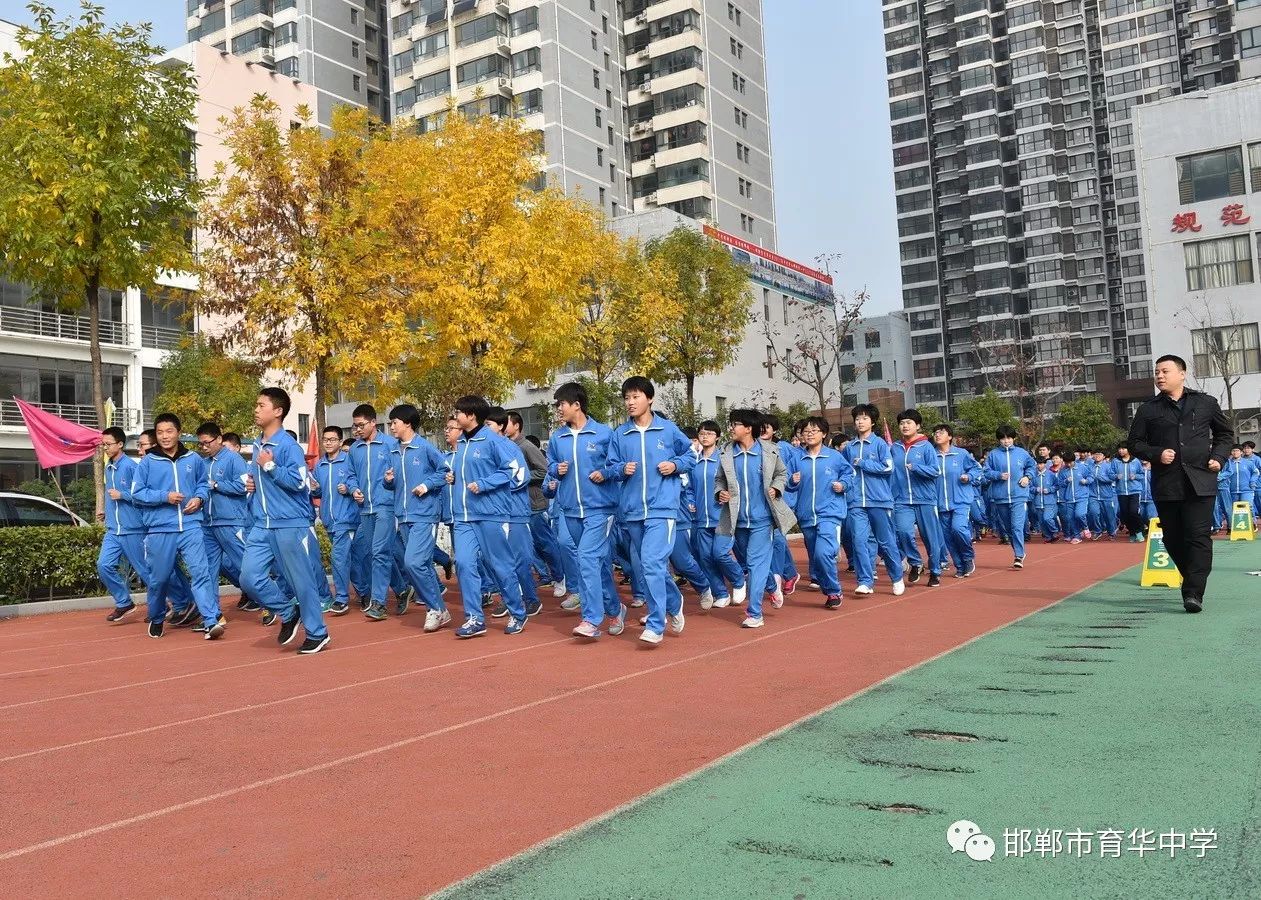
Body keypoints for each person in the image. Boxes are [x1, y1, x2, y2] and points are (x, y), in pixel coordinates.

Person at [1127, 354, 1233, 612]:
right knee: (1174, 539)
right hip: (1167, 483)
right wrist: (1156, 453)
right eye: (1157, 372)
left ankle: (1193, 593)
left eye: (1165, 371)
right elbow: (1134, 443)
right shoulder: (1148, 409)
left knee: (1198, 537)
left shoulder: (1205, 402)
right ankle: (1193, 578)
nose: (1159, 376)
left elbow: (1225, 434)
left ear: (1182, 374)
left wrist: (1218, 457)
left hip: (1201, 480)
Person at [239, 388, 331, 653]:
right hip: (262, 524)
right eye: (256, 405)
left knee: (302, 582)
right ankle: (288, 612)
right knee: (249, 578)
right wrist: (253, 485)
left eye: (261, 405)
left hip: (291, 523)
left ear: (277, 411)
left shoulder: (288, 446)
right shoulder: (258, 444)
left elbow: (299, 482)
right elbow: (264, 481)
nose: (256, 409)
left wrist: (269, 467)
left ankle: (318, 632)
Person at [607, 376, 695, 644]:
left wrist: (675, 465)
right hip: (632, 511)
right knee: (646, 566)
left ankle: (656, 623)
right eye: (626, 398)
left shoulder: (668, 430)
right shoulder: (620, 434)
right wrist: (621, 469)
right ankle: (674, 599)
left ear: (649, 399)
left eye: (635, 397)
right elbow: (610, 467)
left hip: (662, 508)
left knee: (653, 562)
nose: (630, 402)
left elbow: (690, 455)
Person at [129, 413, 224, 640]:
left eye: (169, 431)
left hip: (191, 526)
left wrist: (199, 499)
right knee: (159, 579)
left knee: (201, 573)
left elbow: (203, 485)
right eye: (160, 432)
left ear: (178, 432)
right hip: (161, 529)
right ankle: (157, 617)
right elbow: (137, 494)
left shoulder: (193, 459)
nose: (164, 436)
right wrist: (165, 496)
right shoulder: (148, 462)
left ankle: (211, 621)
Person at [447, 395, 529, 638]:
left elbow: (514, 471)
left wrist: (484, 484)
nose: (456, 416)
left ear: (471, 415)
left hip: (491, 513)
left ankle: (517, 610)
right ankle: (474, 618)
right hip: (463, 516)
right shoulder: (461, 443)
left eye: (459, 412)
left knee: (500, 565)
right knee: (463, 563)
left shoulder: (493, 440)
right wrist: (453, 479)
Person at [546, 383, 624, 638]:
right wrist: (556, 470)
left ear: (576, 405)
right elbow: (550, 467)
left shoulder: (603, 433)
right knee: (597, 564)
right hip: (570, 509)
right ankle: (615, 610)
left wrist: (606, 473)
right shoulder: (558, 438)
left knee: (586, 559)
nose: (559, 409)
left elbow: (619, 466)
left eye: (562, 404)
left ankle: (591, 619)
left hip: (600, 509)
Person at [714, 408, 797, 628]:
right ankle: (772, 586)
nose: (731, 428)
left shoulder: (769, 451)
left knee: (754, 562)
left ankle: (754, 613)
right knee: (750, 564)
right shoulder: (727, 453)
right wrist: (719, 492)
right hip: (737, 519)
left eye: (735, 424)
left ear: (749, 428)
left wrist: (777, 488)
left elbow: (782, 474)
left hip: (763, 519)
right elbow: (719, 480)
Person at [382, 404, 452, 629]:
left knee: (412, 562)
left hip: (424, 513)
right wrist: (388, 480)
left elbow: (445, 472)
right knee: (420, 564)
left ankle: (434, 608)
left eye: (395, 422)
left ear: (407, 423)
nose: (392, 427)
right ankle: (440, 609)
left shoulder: (425, 448)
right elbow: (389, 483)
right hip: (402, 515)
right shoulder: (393, 450)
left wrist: (426, 484)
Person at [347, 404, 410, 614]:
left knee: (380, 553)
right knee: (377, 553)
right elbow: (349, 475)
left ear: (373, 422)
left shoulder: (391, 445)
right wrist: (354, 488)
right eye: (355, 426)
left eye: (361, 425)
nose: (357, 430)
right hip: (365, 508)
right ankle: (402, 589)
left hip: (386, 506)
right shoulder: (355, 449)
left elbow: (401, 474)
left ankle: (379, 603)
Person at [840, 404, 905, 595]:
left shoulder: (880, 445)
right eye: (858, 418)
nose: (860, 422)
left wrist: (863, 463)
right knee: (859, 540)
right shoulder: (849, 447)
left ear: (873, 422)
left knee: (885, 542)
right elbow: (844, 470)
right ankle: (865, 581)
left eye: (864, 418)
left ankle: (897, 576)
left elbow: (888, 467)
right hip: (856, 502)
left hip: (879, 500)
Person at [792, 416, 853, 608]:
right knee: (816, 557)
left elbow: (850, 475)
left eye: (814, 431)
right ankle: (829, 588)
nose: (809, 434)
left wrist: (842, 485)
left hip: (830, 513)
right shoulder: (797, 458)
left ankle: (834, 591)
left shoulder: (834, 457)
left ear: (824, 434)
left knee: (822, 553)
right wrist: (791, 482)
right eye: (806, 431)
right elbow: (785, 481)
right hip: (806, 515)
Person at [196, 422, 258, 611]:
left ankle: (271, 605)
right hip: (208, 524)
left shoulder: (233, 459)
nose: (204, 447)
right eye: (201, 444)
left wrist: (216, 485)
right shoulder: (203, 463)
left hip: (231, 522)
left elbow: (242, 487)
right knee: (208, 570)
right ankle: (212, 614)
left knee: (246, 567)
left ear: (219, 439)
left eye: (207, 443)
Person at [506, 410, 566, 599]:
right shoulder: (505, 447)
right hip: (516, 505)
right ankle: (542, 577)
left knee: (545, 543)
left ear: (516, 425)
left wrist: (520, 478)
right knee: (530, 547)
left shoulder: (526, 446)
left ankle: (560, 577)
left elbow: (545, 470)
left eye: (506, 422)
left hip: (534, 502)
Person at [691, 419, 747, 609]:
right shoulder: (694, 462)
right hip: (701, 518)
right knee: (705, 558)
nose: (705, 437)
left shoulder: (724, 460)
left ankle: (738, 580)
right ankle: (720, 593)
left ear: (718, 437)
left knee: (720, 554)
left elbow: (735, 484)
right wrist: (691, 502)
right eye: (702, 433)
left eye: (709, 433)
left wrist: (728, 495)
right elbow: (689, 488)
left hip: (722, 516)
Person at [98, 427, 149, 623]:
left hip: (132, 529)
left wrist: (123, 496)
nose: (105, 447)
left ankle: (164, 606)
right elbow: (112, 497)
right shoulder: (108, 467)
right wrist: (106, 511)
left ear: (120, 444)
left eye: (108, 444)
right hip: (113, 529)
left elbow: (142, 496)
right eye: (103, 444)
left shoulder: (131, 467)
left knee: (145, 570)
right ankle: (124, 602)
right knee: (103, 565)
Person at [891, 409, 945, 587]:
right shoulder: (895, 448)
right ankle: (915, 561)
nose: (905, 426)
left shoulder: (926, 447)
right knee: (903, 532)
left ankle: (935, 571)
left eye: (909, 423)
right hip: (902, 500)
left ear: (918, 426)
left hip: (925, 499)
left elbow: (936, 471)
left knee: (931, 538)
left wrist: (917, 468)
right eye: (902, 423)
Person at [310, 425, 360, 617]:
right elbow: (318, 492)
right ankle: (364, 590)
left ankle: (341, 598)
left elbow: (356, 484)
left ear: (340, 441)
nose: (328, 443)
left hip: (346, 518)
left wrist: (347, 489)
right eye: (325, 439)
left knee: (338, 558)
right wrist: (314, 488)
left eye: (332, 439)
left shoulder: (348, 462)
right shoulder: (320, 466)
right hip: (329, 520)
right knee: (350, 560)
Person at [931, 424, 983, 577]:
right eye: (935, 433)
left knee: (958, 529)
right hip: (940, 502)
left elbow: (976, 469)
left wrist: (969, 477)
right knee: (947, 537)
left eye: (941, 432)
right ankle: (959, 565)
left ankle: (967, 557)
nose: (937, 435)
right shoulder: (931, 455)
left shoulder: (961, 454)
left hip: (960, 500)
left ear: (950, 436)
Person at [982, 425, 1036, 569]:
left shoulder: (1022, 453)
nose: (1006, 441)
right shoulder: (993, 455)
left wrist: (1027, 477)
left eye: (1009, 438)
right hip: (1000, 497)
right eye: (1003, 438)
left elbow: (1032, 466)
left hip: (1019, 495)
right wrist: (998, 475)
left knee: (1016, 526)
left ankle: (1019, 555)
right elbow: (986, 472)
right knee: (1007, 528)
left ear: (1014, 438)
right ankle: (1018, 551)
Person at [1056, 452, 1091, 544]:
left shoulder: (1082, 467)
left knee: (1080, 514)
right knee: (1070, 518)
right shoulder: (1063, 471)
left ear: (1074, 460)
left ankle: (1085, 527)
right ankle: (1076, 536)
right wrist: (1066, 481)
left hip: (1082, 496)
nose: (1068, 464)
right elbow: (1059, 484)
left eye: (1070, 462)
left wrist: (1086, 481)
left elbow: (1091, 477)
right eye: (1066, 463)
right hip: (1069, 498)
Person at [1113, 444, 1146, 542]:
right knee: (1125, 514)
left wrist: (1135, 476)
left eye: (1123, 448)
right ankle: (1132, 532)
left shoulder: (1135, 461)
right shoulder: (1115, 461)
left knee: (1133, 512)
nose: (1121, 451)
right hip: (1122, 491)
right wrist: (1116, 476)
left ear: (1128, 449)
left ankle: (1139, 531)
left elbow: (1141, 474)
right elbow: (1110, 474)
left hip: (1134, 490)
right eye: (1119, 449)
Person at [1032, 459, 1060, 543]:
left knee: (1047, 518)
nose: (1039, 466)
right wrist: (1035, 489)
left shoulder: (1051, 475)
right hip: (1038, 502)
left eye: (1041, 464)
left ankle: (1055, 532)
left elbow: (1057, 486)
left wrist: (1049, 490)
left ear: (1045, 464)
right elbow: (1029, 487)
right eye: (1038, 464)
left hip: (1049, 501)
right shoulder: (1033, 475)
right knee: (1041, 521)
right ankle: (1048, 536)